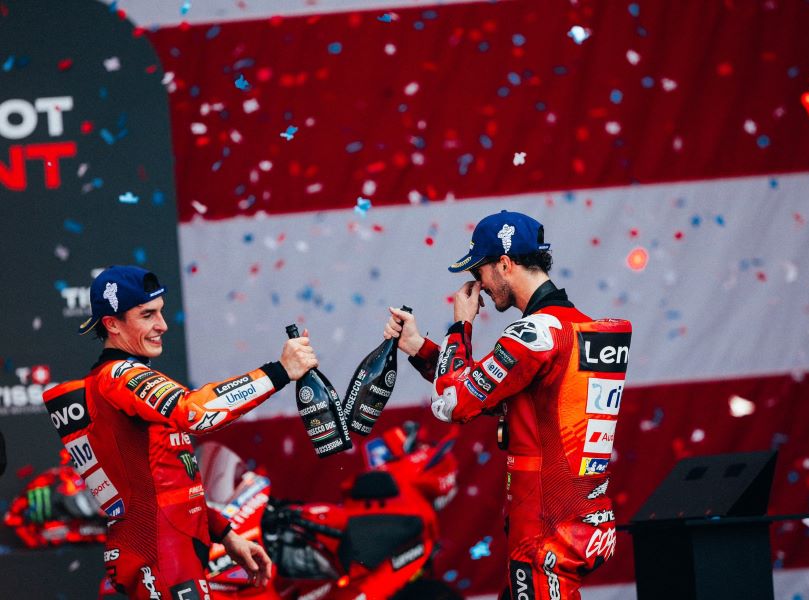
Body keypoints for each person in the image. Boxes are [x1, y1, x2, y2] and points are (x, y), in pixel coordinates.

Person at [384, 210, 632, 600]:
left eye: (479, 271)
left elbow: (452, 403)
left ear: (504, 264)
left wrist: (460, 326)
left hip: (544, 532)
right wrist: (418, 347)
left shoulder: (534, 334)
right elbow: (491, 396)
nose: (478, 286)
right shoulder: (577, 330)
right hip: (582, 518)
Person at [42, 265, 318, 599]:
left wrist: (226, 534)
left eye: (160, 312)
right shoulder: (118, 376)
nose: (162, 325)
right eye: (147, 315)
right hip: (160, 553)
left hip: (172, 548)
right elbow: (195, 414)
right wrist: (280, 372)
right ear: (112, 324)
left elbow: (170, 487)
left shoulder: (127, 379)